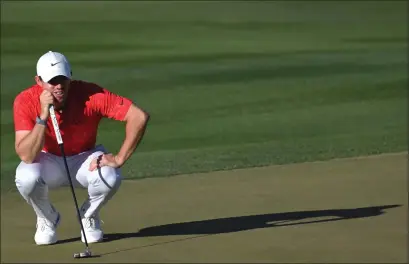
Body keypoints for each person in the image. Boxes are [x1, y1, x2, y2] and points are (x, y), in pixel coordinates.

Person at [12, 51, 150, 245]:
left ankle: (88, 215)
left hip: (84, 159)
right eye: (52, 81)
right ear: (39, 81)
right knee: (26, 177)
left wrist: (119, 158)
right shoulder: (25, 100)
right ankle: (47, 218)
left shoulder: (90, 94)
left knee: (110, 175)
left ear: (70, 77)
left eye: (63, 79)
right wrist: (42, 117)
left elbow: (139, 117)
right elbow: (26, 155)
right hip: (48, 159)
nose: (59, 86)